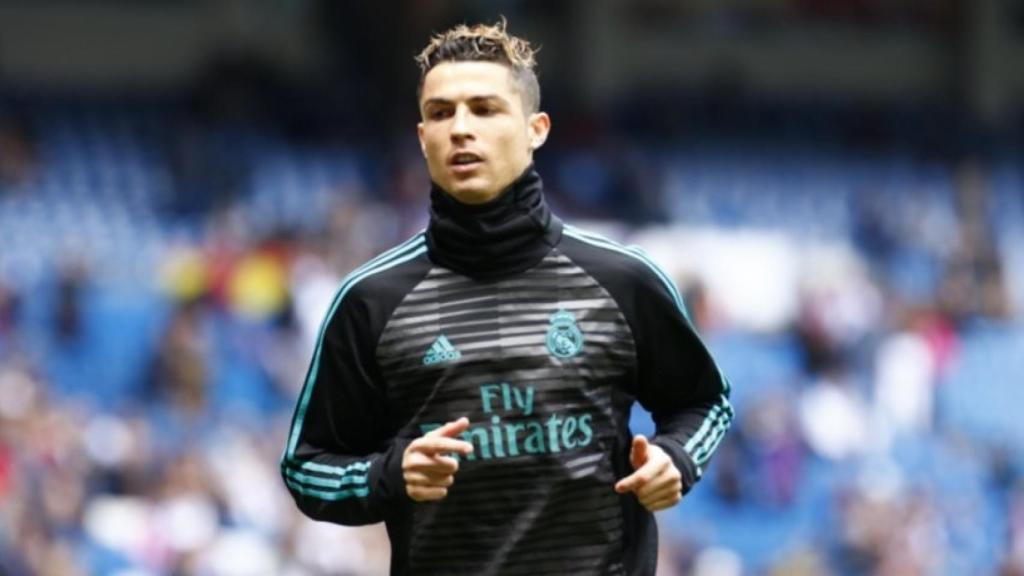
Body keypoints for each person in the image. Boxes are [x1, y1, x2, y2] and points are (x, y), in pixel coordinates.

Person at [281, 19, 733, 575]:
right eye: (441, 113)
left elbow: (705, 402)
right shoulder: (370, 300)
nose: (460, 129)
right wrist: (388, 476)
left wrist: (676, 458)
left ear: (535, 129)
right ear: (422, 137)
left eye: (485, 109)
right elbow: (306, 468)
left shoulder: (622, 279)